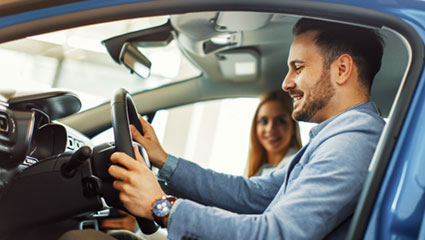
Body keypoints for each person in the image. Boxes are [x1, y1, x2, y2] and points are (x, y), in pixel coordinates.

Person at [61, 18, 386, 239]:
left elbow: (275, 235)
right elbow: (252, 195)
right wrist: (163, 160)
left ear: (342, 69)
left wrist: (161, 207)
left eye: (298, 68)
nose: (287, 82)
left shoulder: (352, 144)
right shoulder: (335, 138)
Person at [247, 90, 302, 177]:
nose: (270, 129)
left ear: (293, 128)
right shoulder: (257, 169)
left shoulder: (297, 166)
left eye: (280, 121)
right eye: (263, 121)